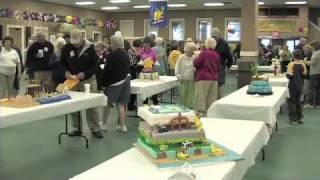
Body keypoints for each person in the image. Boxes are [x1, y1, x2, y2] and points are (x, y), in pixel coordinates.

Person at [60, 29, 103, 138]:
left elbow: (95, 66)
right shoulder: (66, 48)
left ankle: (95, 128)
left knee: (91, 104)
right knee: (74, 104)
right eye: (73, 42)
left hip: (88, 80)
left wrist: (84, 74)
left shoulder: (90, 48)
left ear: (81, 38)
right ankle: (76, 128)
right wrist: (65, 72)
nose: (74, 45)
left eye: (77, 42)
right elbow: (61, 63)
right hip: (72, 80)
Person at [102, 34, 131, 133]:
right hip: (126, 80)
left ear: (113, 43)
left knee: (108, 104)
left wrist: (102, 83)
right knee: (121, 103)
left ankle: (104, 124)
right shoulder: (126, 53)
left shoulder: (111, 55)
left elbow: (107, 70)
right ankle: (123, 126)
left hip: (114, 82)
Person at [194, 38, 220, 114]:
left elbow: (196, 64)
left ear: (206, 44)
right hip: (214, 79)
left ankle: (201, 116)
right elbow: (218, 68)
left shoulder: (203, 53)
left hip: (203, 79)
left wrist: (196, 58)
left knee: (201, 98)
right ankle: (210, 114)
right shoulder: (217, 55)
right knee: (212, 98)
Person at [286, 49, 307, 125]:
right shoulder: (303, 64)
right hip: (300, 85)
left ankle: (293, 119)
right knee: (298, 102)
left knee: (292, 102)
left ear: (293, 56)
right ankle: (300, 118)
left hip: (292, 85)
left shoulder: (291, 64)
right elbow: (304, 75)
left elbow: (289, 76)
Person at [212, 27, 233, 99]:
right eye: (213, 36)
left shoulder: (224, 44)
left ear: (219, 36)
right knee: (212, 87)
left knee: (219, 86)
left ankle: (218, 102)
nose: (214, 38)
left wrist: (227, 67)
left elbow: (230, 57)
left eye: (215, 37)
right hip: (211, 68)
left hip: (220, 67)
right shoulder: (210, 42)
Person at [175, 41, 197, 109]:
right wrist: (178, 76)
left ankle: (190, 109)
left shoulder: (194, 57)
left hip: (192, 80)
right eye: (190, 51)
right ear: (187, 50)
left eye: (192, 51)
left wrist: (195, 69)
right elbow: (177, 68)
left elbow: (197, 66)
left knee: (191, 96)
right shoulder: (181, 57)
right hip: (183, 80)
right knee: (183, 96)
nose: (192, 53)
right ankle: (183, 109)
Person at [139, 36, 159, 105]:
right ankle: (145, 103)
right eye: (145, 43)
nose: (146, 45)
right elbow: (139, 62)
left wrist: (154, 65)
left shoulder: (153, 51)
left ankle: (155, 102)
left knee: (154, 88)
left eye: (148, 43)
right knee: (145, 88)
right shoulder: (141, 51)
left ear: (150, 44)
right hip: (144, 72)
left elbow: (156, 61)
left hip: (152, 71)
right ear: (143, 43)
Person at [128, 39, 143, 111]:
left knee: (133, 88)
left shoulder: (134, 51)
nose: (140, 48)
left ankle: (132, 104)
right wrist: (138, 61)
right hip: (131, 71)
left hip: (133, 71)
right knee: (132, 88)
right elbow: (131, 62)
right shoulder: (131, 51)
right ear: (137, 46)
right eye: (140, 47)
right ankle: (130, 105)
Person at [310, 42, 320, 108]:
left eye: (312, 46)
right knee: (318, 89)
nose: (311, 48)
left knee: (314, 89)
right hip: (318, 72)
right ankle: (318, 104)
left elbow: (312, 63)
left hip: (315, 73)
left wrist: (303, 62)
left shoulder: (316, 53)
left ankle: (313, 104)